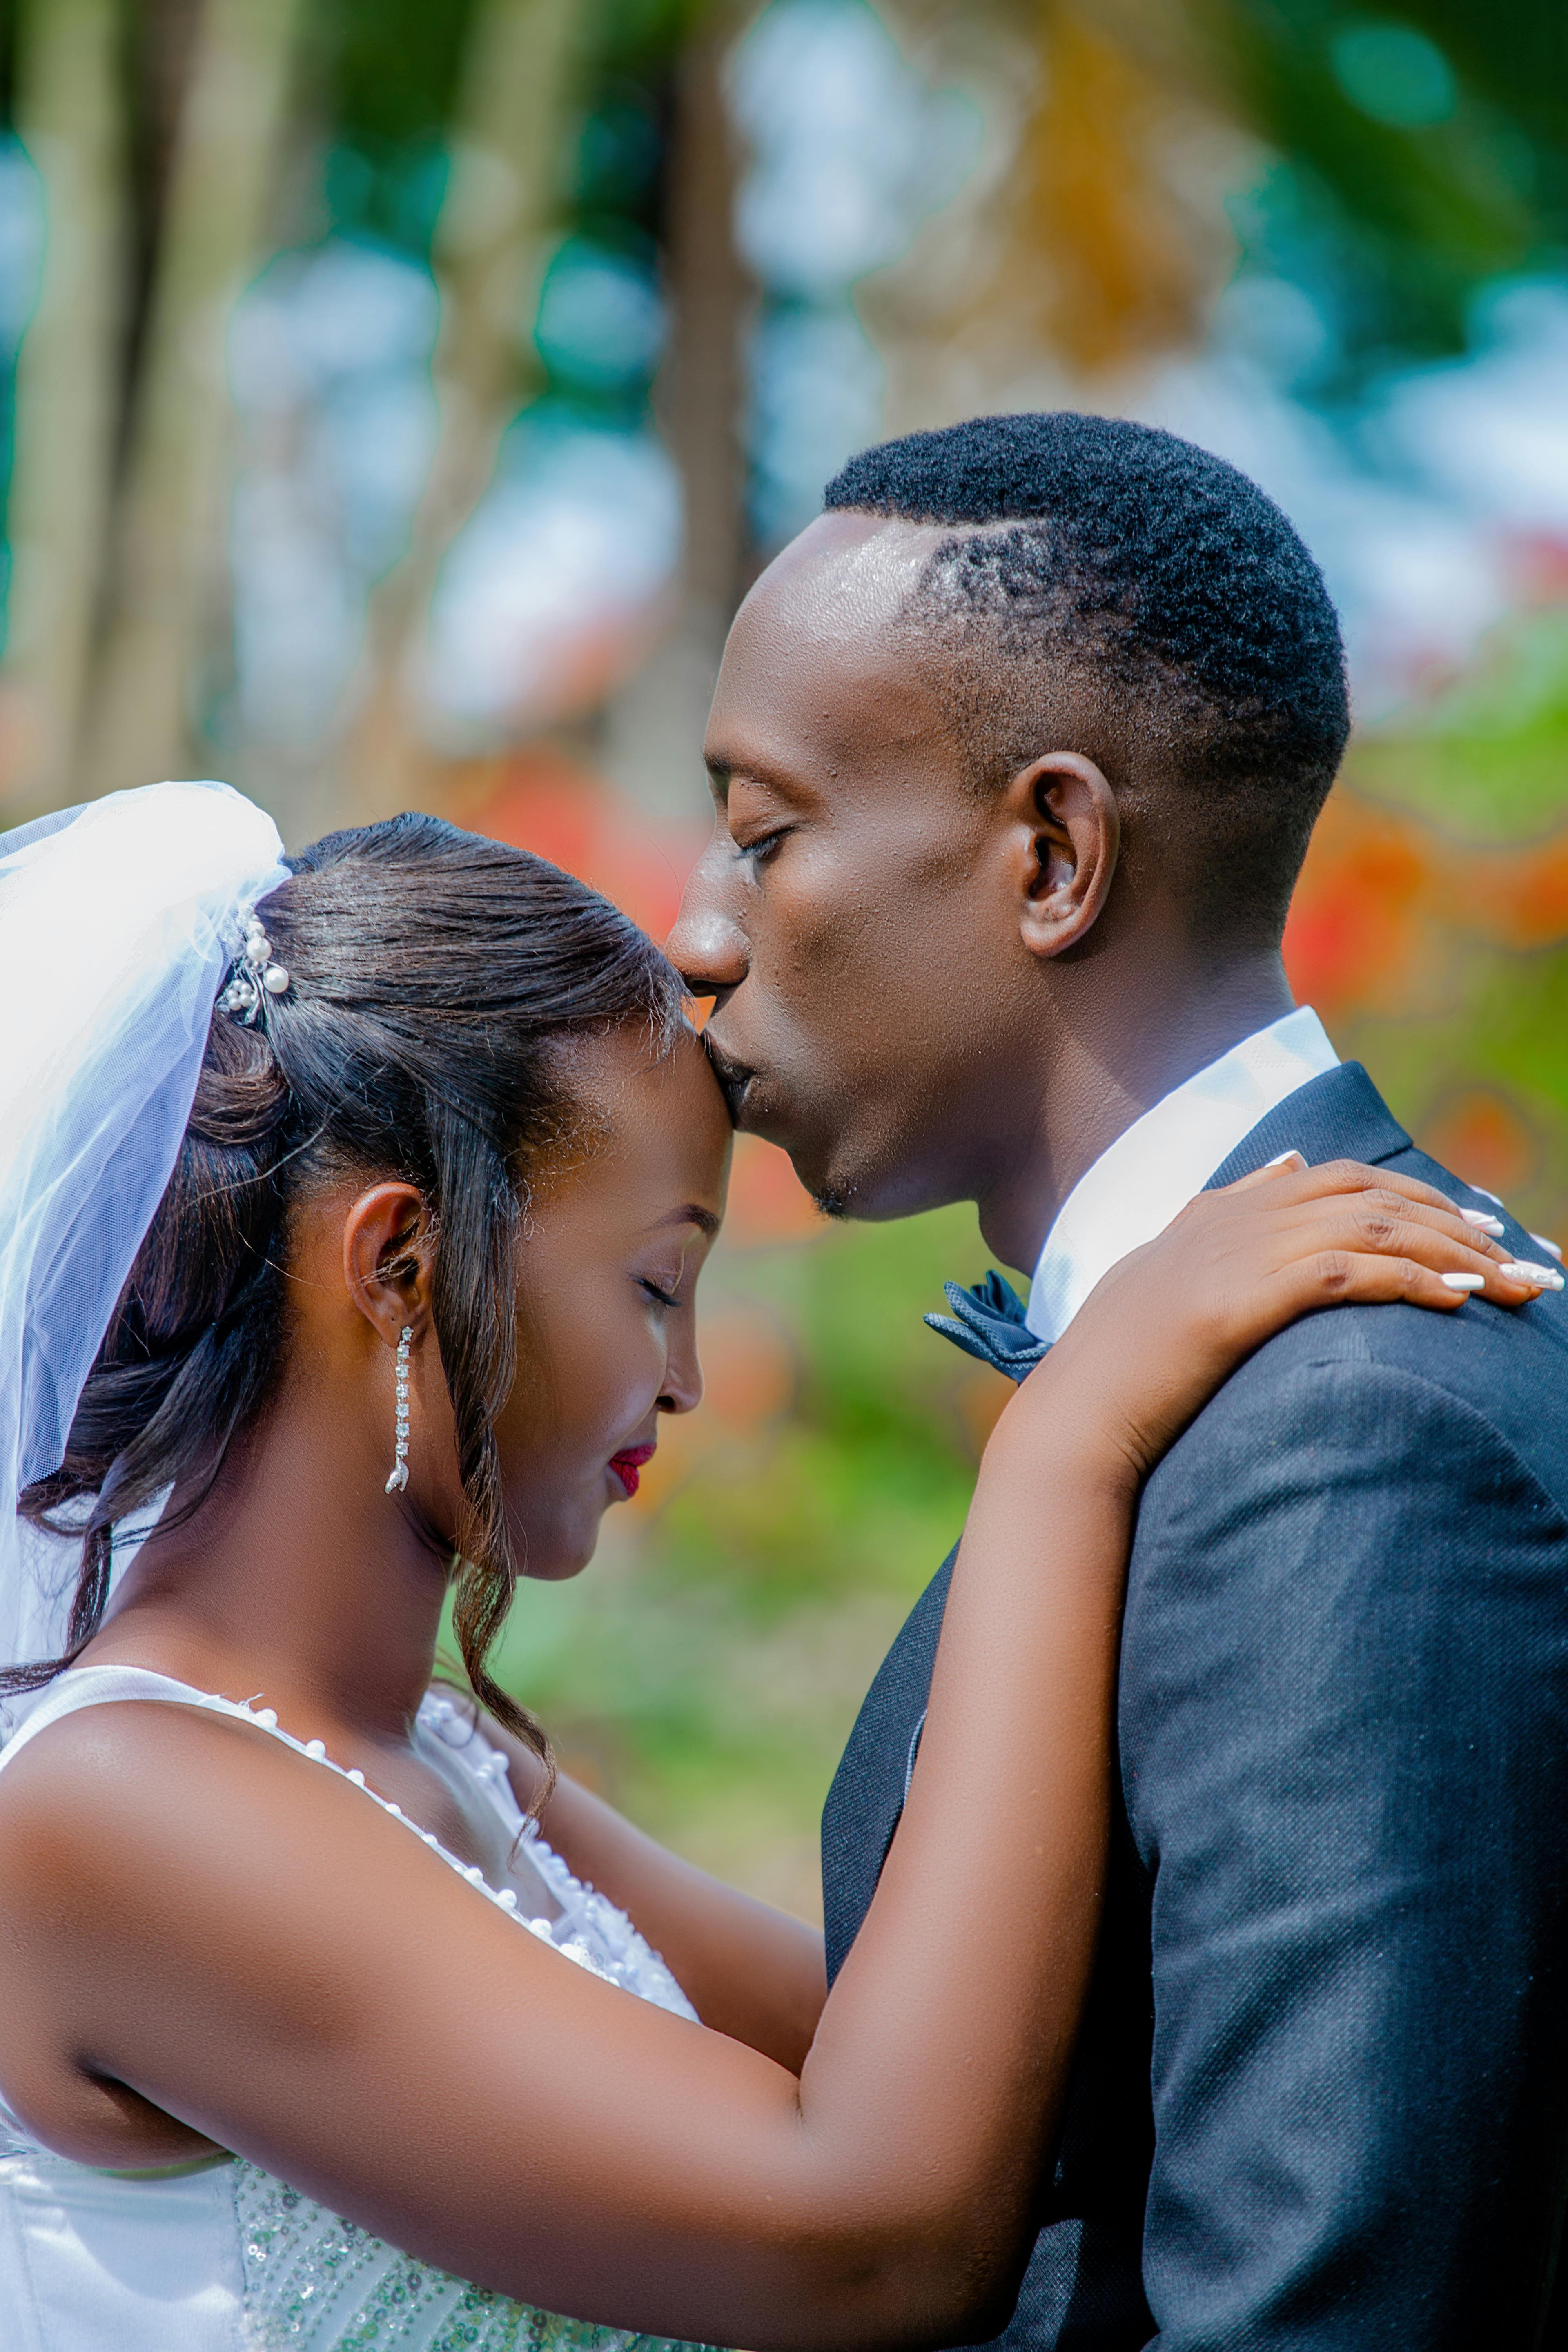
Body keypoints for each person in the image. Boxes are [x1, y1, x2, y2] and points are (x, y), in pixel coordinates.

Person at [0, 783, 1527, 2352]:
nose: (687, 1381)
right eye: (657, 1282)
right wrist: (1066, 1448)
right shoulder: (121, 1811)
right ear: (399, 1262)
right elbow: (870, 2234)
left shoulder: (441, 1761)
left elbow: (951, 2059)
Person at [668, 410, 1568, 2349]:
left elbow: (1320, 2315)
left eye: (763, 834)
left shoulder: (1356, 1429)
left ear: (1055, 854)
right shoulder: (1244, 1375)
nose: (699, 933)